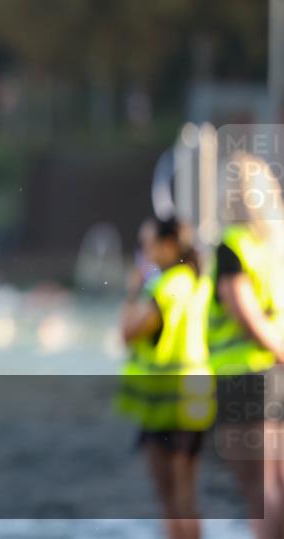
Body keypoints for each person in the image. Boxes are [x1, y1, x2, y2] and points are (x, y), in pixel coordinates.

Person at [117, 216, 213, 539]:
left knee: (171, 498)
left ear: (169, 245)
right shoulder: (199, 280)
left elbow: (128, 333)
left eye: (147, 245)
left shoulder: (167, 285)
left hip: (166, 403)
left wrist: (131, 291)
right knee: (187, 495)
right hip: (196, 396)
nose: (143, 253)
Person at [207, 152, 284, 539]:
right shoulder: (276, 246)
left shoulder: (231, 246)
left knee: (260, 488)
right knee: (278, 483)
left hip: (244, 378)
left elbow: (246, 316)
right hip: (274, 375)